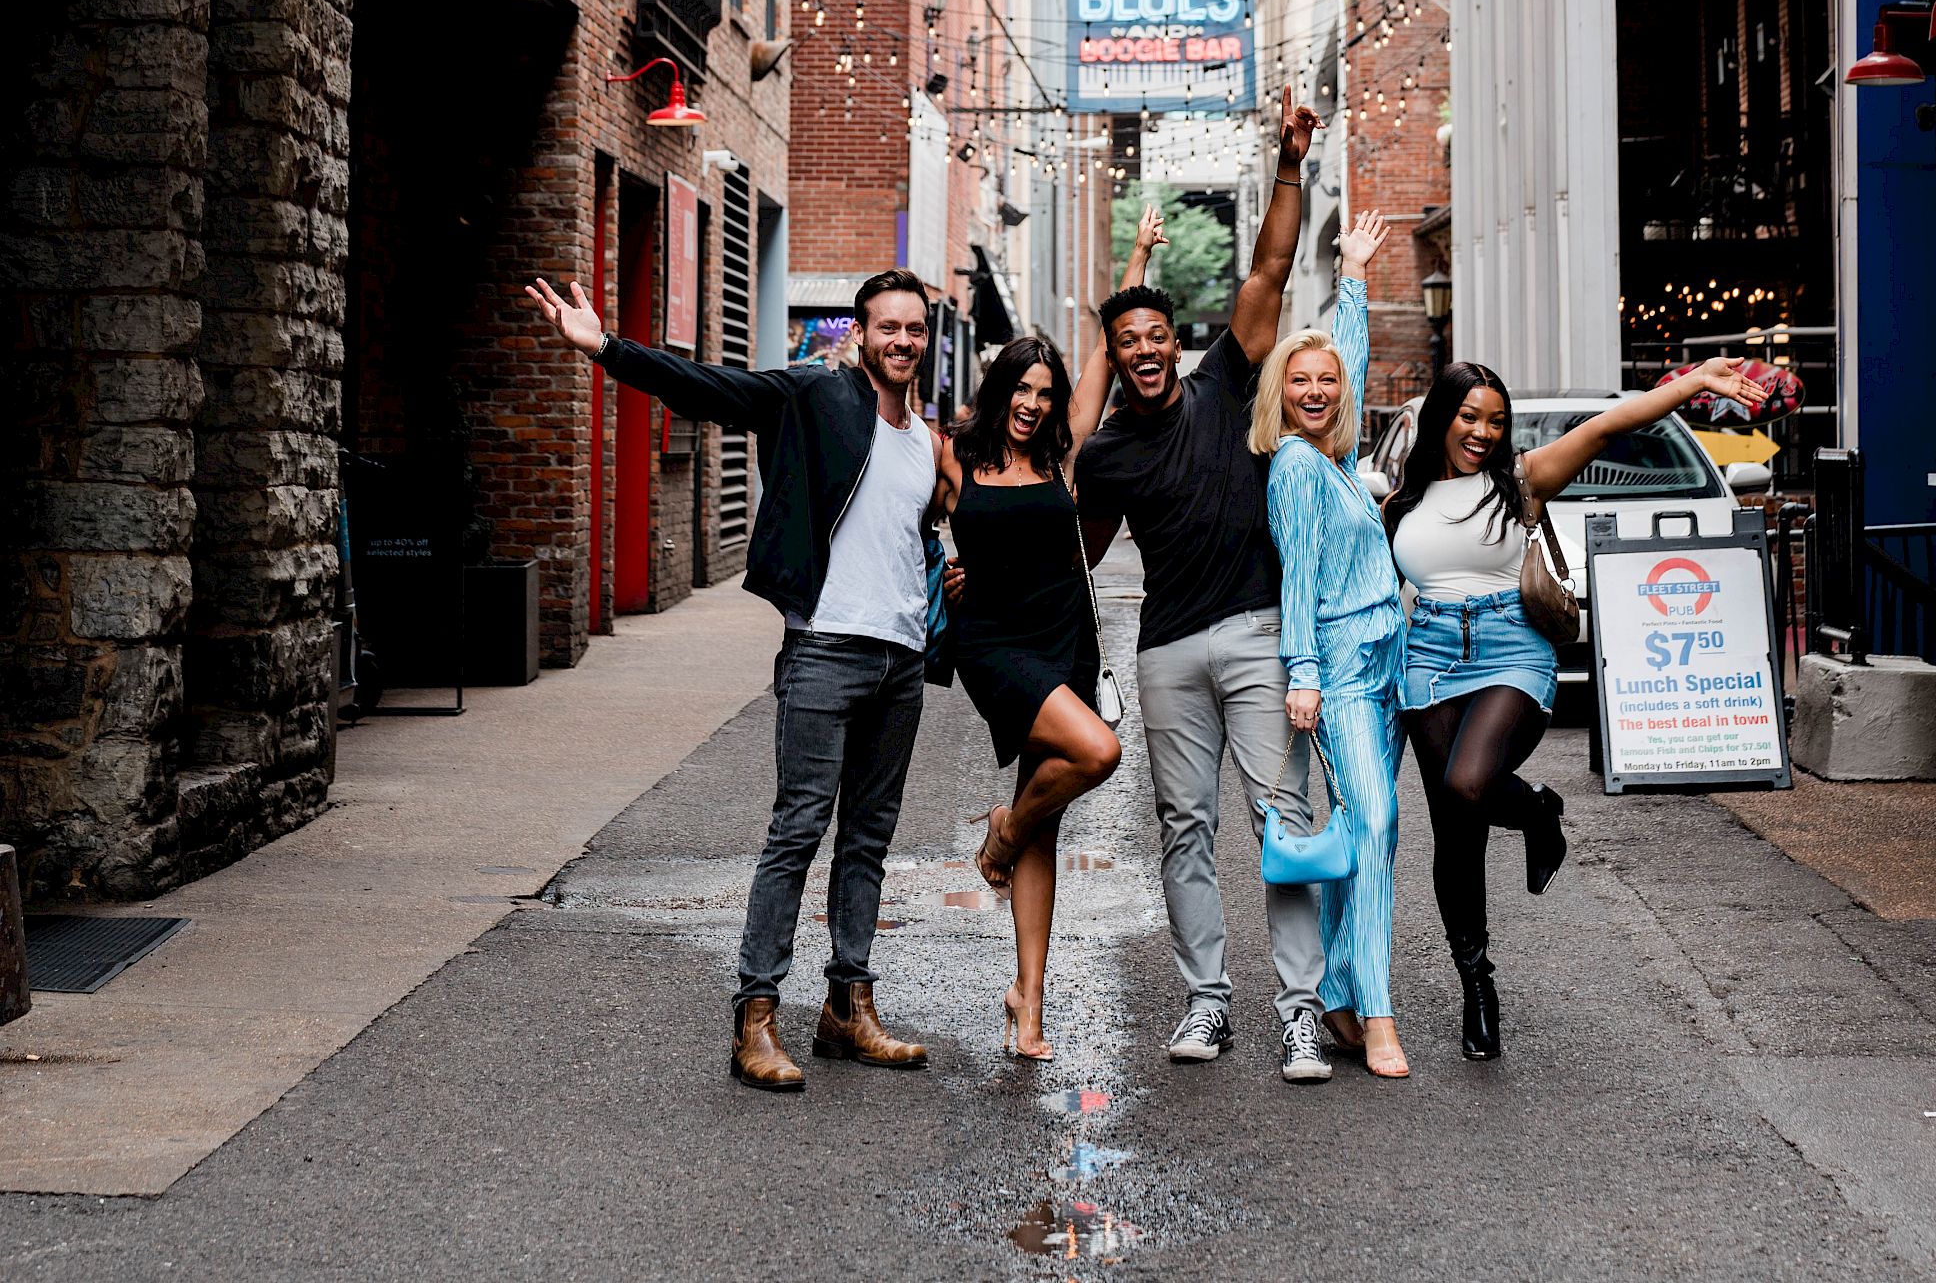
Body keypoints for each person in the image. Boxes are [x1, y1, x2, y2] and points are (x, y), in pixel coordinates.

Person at [524, 263, 942, 1094]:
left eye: (914, 329)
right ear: (859, 334)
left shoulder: (925, 439)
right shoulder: (816, 397)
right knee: (798, 831)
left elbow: (910, 539)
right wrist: (605, 346)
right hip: (826, 649)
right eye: (887, 327)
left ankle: (849, 1008)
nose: (902, 341)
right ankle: (756, 1016)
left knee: (868, 838)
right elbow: (710, 388)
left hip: (900, 657)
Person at [1385, 353, 1759, 1061]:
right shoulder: (1401, 502)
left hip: (1511, 651)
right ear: (1443, 416)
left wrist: (1696, 382)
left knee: (1470, 784)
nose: (1483, 433)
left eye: (1496, 421)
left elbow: (1615, 421)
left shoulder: (1522, 480)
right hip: (1428, 656)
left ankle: (1534, 812)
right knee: (1455, 830)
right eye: (1470, 417)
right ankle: (1477, 983)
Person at [1074, 87, 1337, 1085]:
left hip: (1261, 633)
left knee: (1281, 821)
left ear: (1172, 340)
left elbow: (1269, 264)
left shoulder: (1228, 379)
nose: (1141, 350)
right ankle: (1206, 1002)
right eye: (1124, 342)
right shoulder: (1104, 458)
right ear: (1115, 354)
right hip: (1167, 651)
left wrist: (1287, 163)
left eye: (1153, 336)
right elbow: (1084, 557)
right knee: (1182, 826)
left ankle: (1299, 1012)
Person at [938, 210, 1165, 1061]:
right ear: (1001, 392)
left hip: (1064, 634)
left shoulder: (1064, 458)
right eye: (1021, 392)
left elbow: (1106, 351)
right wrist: (939, 577)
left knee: (1051, 825)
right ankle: (1001, 831)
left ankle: (1027, 1003)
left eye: (1044, 393)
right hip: (993, 643)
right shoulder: (956, 459)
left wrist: (1136, 258)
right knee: (1099, 753)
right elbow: (902, 528)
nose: (1033, 406)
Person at [1251, 221, 1410, 1080]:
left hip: (1391, 661)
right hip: (1343, 667)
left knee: (1367, 835)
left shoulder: (1339, 456)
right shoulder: (1297, 469)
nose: (1314, 391)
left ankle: (1347, 993)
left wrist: (1352, 276)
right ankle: (1376, 1015)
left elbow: (1339, 358)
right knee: (1376, 822)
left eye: (1325, 382)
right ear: (1282, 393)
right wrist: (1304, 674)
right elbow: (1300, 580)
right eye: (1299, 382)